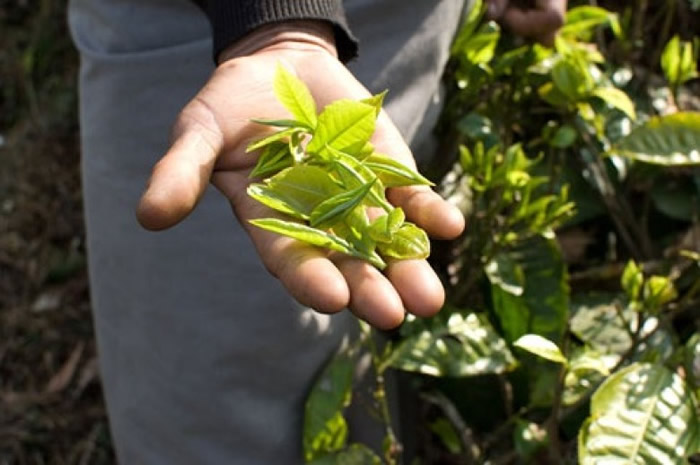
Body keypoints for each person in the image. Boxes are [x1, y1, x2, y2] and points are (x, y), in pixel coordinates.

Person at [67, 0, 566, 462]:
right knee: (218, 406)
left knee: (357, 374)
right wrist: (273, 21)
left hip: (397, 20)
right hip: (199, 28)